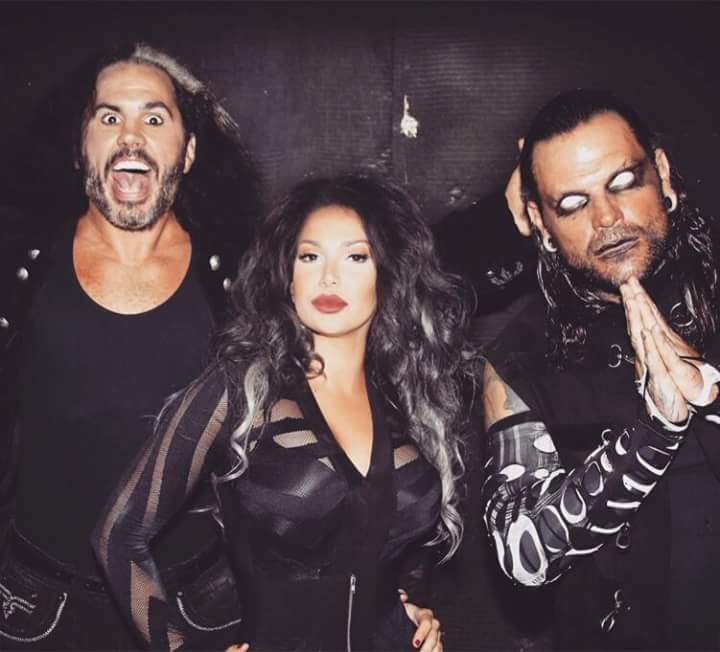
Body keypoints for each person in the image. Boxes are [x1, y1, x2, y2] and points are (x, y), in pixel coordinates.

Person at [92, 174, 474, 651]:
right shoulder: (240, 389)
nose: (328, 277)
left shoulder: (409, 398)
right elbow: (118, 534)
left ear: (387, 274)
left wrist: (411, 608)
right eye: (309, 257)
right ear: (288, 277)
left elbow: (399, 551)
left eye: (355, 257)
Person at [0, 43, 260, 649]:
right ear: (80, 145)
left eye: (155, 117)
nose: (131, 136)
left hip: (197, 607)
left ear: (187, 152)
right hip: (40, 608)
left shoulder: (241, 276)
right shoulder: (18, 265)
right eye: (110, 116)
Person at [480, 89, 720, 649]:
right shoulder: (521, 356)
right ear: (539, 223)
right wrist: (654, 434)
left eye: (624, 183)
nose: (607, 219)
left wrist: (709, 396)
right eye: (572, 203)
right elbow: (523, 554)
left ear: (662, 173)